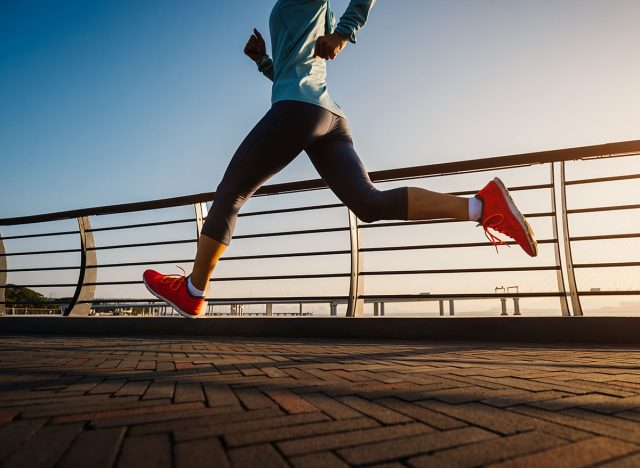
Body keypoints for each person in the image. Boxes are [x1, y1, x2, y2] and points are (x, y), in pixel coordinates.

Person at [143, 0, 538, 319]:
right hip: (326, 116)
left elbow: (317, 57)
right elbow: (292, 72)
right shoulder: (302, 11)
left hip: (299, 109)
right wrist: (263, 61)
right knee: (368, 203)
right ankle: (482, 207)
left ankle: (193, 291)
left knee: (230, 192)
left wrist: (344, 34)